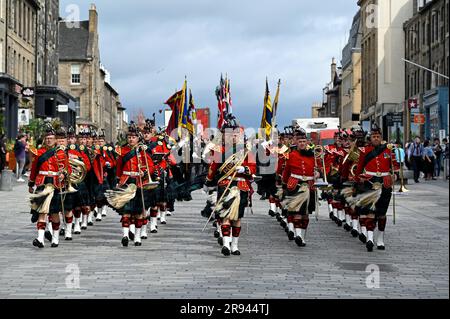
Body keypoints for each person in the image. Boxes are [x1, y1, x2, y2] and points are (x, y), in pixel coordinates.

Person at [204, 115, 256, 256]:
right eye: (230, 134)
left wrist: (244, 169)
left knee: (237, 218)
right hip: (225, 184)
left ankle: (235, 245)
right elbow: (214, 168)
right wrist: (208, 182)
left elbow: (253, 168)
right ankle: (226, 244)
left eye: (235, 134)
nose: (233, 137)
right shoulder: (220, 150)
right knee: (225, 215)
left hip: (241, 185)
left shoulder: (246, 151)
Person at [106, 122, 157, 247]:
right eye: (129, 137)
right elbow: (118, 167)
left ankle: (138, 236)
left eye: (133, 137)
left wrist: (145, 172)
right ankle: (125, 235)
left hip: (139, 181)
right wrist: (118, 181)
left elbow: (151, 166)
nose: (131, 139)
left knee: (139, 211)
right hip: (126, 180)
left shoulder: (143, 150)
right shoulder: (122, 150)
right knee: (126, 211)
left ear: (138, 138)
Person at [351, 123, 396, 252]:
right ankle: (370, 238)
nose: (376, 138)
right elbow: (359, 168)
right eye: (373, 136)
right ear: (370, 138)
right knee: (370, 212)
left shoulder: (388, 149)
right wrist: (356, 182)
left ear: (381, 137)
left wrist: (396, 175)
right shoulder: (365, 151)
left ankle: (380, 238)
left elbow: (394, 165)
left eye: (378, 136)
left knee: (381, 213)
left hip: (385, 182)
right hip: (369, 182)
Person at [28, 124, 71, 248]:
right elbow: (34, 169)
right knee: (42, 212)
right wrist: (31, 183)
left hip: (55, 183)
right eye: (47, 138)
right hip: (42, 183)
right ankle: (40, 239)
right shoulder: (39, 153)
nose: (49, 140)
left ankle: (55, 238)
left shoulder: (61, 153)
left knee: (54, 213)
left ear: (56, 139)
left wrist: (64, 174)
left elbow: (67, 169)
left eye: (51, 138)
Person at [281, 127, 319, 247]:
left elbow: (318, 170)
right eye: (300, 142)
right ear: (296, 142)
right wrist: (284, 184)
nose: (302, 144)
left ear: (307, 142)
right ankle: (297, 235)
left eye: (304, 142)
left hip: (309, 185)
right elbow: (286, 171)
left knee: (306, 214)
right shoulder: (291, 155)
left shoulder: (312, 155)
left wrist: (319, 174)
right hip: (295, 184)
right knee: (297, 212)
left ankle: (302, 236)